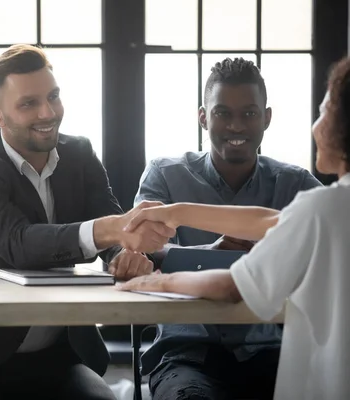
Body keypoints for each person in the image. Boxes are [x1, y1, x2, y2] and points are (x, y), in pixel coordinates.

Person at [0, 44, 174, 400]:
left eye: (53, 97)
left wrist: (127, 253)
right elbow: (20, 244)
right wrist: (111, 229)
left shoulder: (79, 154)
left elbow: (114, 229)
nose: (48, 112)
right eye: (28, 103)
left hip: (60, 357)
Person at [119, 56, 350, 400]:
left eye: (324, 112)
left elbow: (233, 284)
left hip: (272, 351)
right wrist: (178, 215)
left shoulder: (308, 192)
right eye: (223, 113)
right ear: (203, 117)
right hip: (189, 353)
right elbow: (269, 222)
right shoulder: (165, 174)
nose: (237, 126)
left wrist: (162, 276)